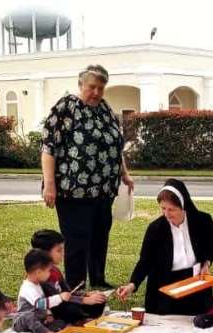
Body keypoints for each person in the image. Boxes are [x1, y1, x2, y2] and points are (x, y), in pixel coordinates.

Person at [40, 64, 135, 290]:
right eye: (92, 87)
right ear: (81, 84)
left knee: (100, 236)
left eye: (101, 88)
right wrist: (50, 185)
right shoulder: (65, 108)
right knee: (77, 240)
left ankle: (98, 278)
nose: (97, 92)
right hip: (73, 191)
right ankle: (76, 285)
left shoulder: (105, 109)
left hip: (103, 190)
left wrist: (124, 173)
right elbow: (48, 148)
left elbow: (115, 146)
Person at [118, 179, 213, 315]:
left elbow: (211, 245)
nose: (166, 214)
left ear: (183, 206)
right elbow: (145, 261)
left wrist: (206, 262)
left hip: (195, 285)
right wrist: (132, 284)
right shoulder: (155, 229)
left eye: (171, 209)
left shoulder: (203, 221)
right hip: (165, 287)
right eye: (163, 208)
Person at [30, 229, 106, 324]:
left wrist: (87, 295)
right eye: (59, 250)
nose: (63, 253)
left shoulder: (55, 270)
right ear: (44, 253)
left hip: (64, 302)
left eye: (63, 249)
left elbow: (68, 292)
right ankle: (80, 319)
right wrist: (84, 300)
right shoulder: (41, 274)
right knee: (70, 308)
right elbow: (56, 298)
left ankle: (82, 318)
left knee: (99, 300)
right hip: (51, 307)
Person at [13, 249, 71, 333]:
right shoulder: (28, 288)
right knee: (28, 316)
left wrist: (48, 314)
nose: (49, 274)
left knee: (59, 322)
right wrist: (59, 297)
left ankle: (48, 329)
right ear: (38, 272)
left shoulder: (38, 284)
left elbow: (42, 307)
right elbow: (40, 303)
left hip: (39, 319)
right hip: (23, 322)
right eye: (48, 271)